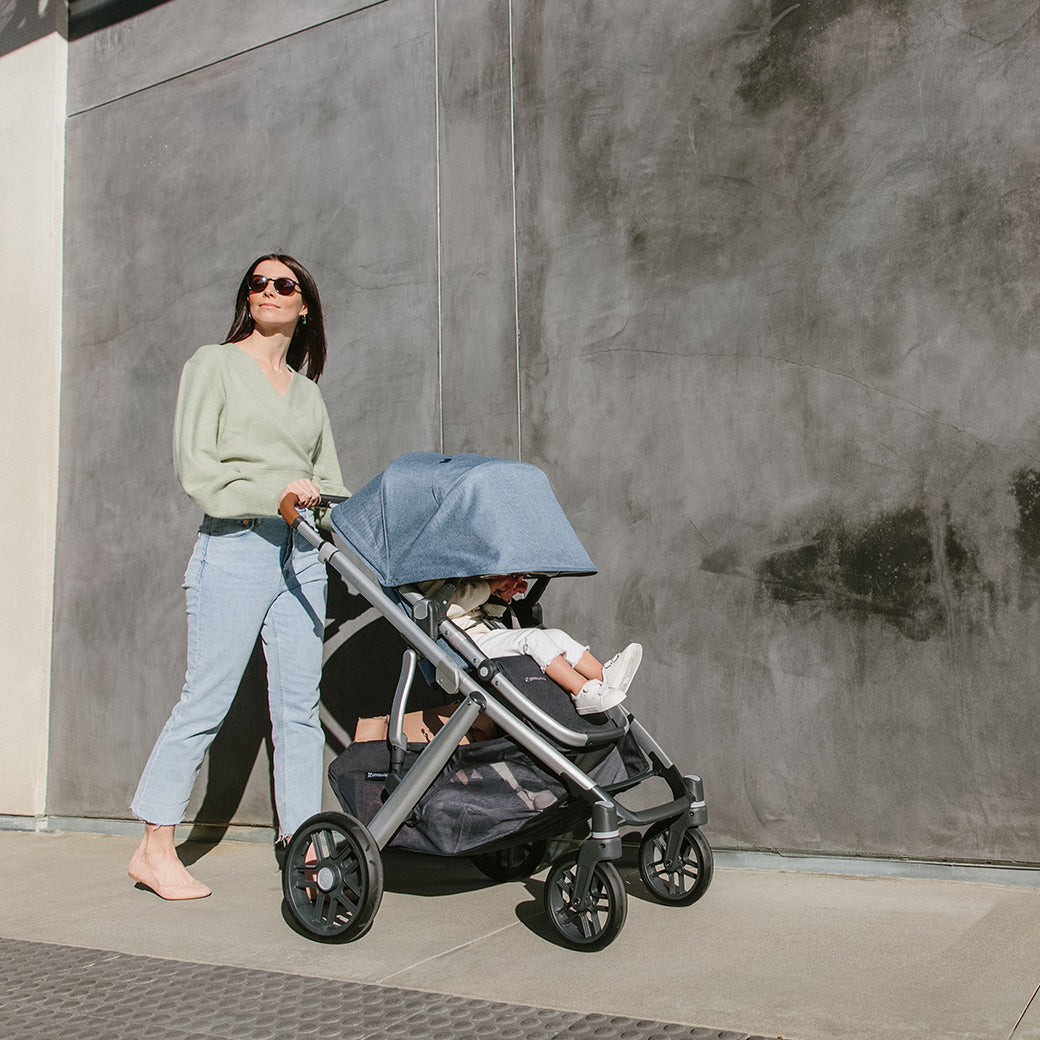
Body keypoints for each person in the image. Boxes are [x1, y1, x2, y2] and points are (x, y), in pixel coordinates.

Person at [128, 254, 349, 900]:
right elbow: (196, 466)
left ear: (304, 304)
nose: (271, 292)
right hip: (237, 546)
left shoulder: (308, 394)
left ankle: (303, 851)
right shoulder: (214, 365)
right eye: (259, 284)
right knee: (206, 700)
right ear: (247, 298)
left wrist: (321, 507)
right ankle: (154, 846)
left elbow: (329, 482)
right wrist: (273, 492)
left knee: (299, 711)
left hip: (302, 556)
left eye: (286, 284)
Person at [435, 573, 642, 715]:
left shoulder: (462, 574)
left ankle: (603, 676)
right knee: (533, 639)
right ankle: (582, 693)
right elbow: (446, 608)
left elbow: (488, 612)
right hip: (465, 643)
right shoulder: (431, 577)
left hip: (486, 632)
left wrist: (504, 592)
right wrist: (490, 585)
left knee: (556, 635)